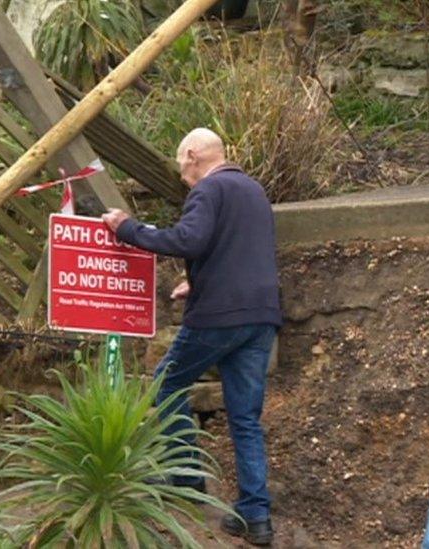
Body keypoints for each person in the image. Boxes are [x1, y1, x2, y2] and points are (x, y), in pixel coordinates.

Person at [102, 128, 281, 546]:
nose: (181, 173)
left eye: (181, 163)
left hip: (220, 317)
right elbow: (240, 253)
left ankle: (185, 477)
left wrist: (127, 228)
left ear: (192, 154)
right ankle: (256, 516)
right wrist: (197, 284)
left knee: (167, 381)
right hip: (261, 316)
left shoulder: (209, 190)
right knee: (245, 418)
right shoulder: (254, 192)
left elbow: (188, 240)